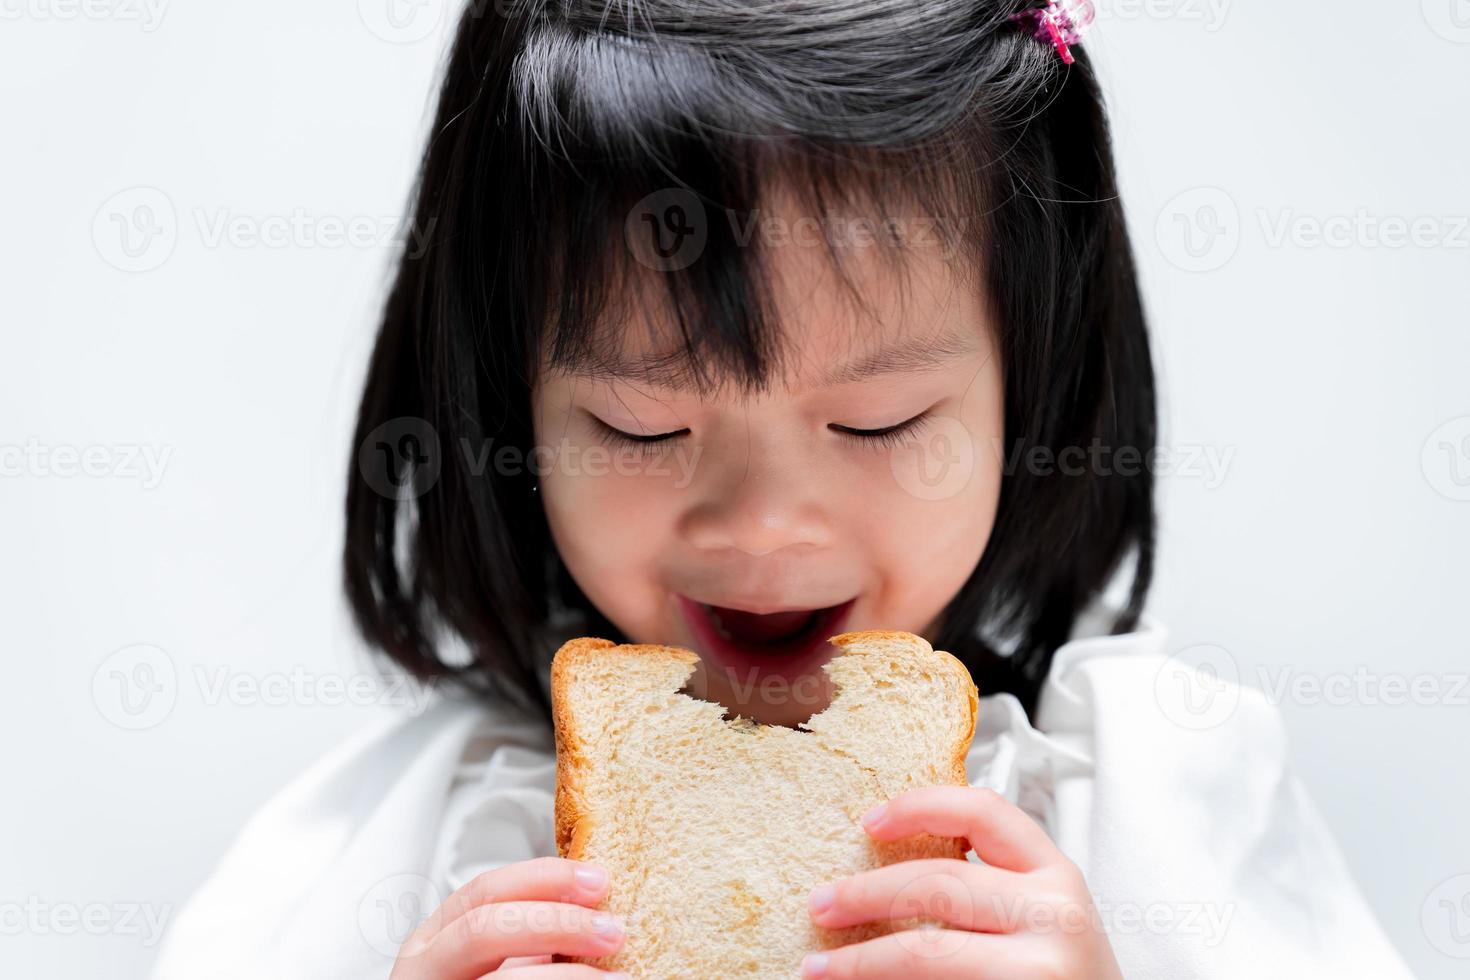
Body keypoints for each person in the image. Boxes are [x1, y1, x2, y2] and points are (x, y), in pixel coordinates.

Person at [151, 1, 1414, 977]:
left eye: (878, 418)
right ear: (503, 407)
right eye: (643, 425)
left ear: (1034, 389)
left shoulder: (1155, 789)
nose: (760, 523)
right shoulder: (390, 837)